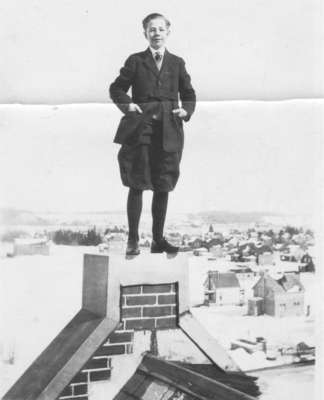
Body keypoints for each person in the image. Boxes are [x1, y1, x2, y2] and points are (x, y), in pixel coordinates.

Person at [109, 13, 196, 256]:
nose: (156, 33)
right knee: (137, 183)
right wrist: (128, 105)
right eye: (151, 29)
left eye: (160, 29)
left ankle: (158, 240)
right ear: (145, 33)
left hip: (169, 130)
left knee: (163, 185)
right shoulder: (135, 61)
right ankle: (133, 241)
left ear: (168, 32)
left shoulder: (177, 63)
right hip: (141, 128)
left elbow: (189, 93)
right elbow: (116, 88)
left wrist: (185, 110)